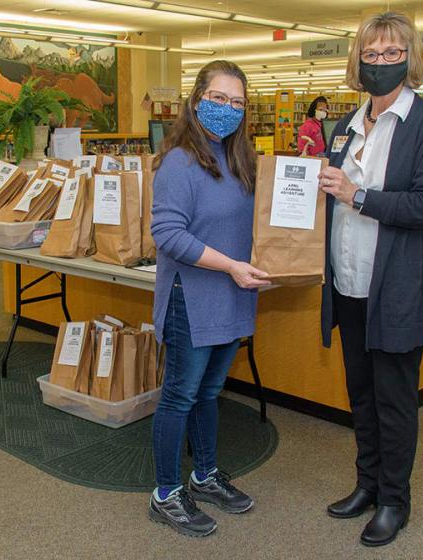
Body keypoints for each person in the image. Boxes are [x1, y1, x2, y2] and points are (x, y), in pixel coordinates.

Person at [317, 12, 423, 547]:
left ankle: (395, 500)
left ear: (410, 58)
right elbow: (329, 199)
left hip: (394, 288)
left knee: (395, 398)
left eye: (391, 53)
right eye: (371, 54)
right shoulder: (344, 125)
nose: (380, 63)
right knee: (361, 393)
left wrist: (357, 195)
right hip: (348, 283)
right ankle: (367, 485)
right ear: (358, 60)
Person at [149, 60, 270, 538]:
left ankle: (204, 475)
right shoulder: (180, 160)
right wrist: (232, 266)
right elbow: (168, 235)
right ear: (197, 99)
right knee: (179, 396)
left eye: (237, 102)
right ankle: (164, 492)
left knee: (210, 392)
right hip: (192, 300)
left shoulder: (240, 159)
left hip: (231, 297)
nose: (227, 109)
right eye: (218, 99)